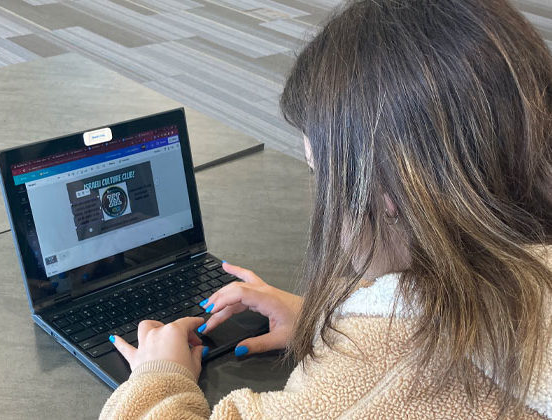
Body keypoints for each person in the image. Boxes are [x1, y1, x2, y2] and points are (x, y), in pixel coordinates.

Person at [100, 0, 552, 418]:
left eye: (323, 175)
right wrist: (328, 318)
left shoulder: (386, 370)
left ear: (390, 191)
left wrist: (160, 378)